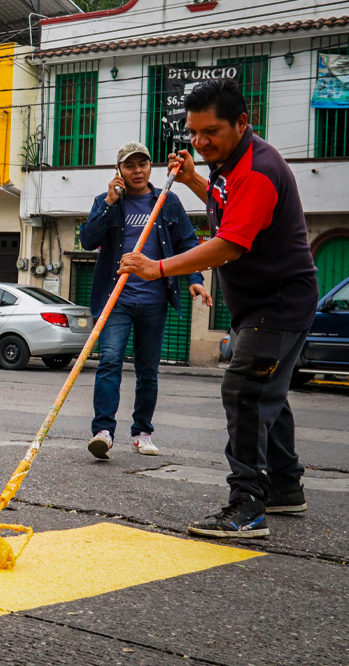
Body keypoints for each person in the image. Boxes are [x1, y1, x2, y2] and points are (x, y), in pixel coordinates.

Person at [120, 79, 318, 539]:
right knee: (270, 394)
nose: (199, 141)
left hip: (278, 302)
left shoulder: (258, 172)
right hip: (263, 303)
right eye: (193, 132)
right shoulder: (231, 165)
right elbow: (226, 203)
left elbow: (229, 243)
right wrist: (193, 179)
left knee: (246, 391)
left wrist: (158, 268)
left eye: (210, 132)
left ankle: (247, 505)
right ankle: (286, 487)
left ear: (242, 123)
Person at [80, 142, 211, 460]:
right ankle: (103, 433)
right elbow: (87, 240)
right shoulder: (107, 201)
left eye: (142, 164)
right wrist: (110, 203)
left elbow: (188, 242)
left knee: (148, 370)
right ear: (118, 171)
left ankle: (141, 432)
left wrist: (194, 280)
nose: (137, 171)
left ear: (151, 167)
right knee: (109, 362)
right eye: (129, 166)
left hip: (154, 300)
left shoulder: (167, 201)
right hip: (117, 300)